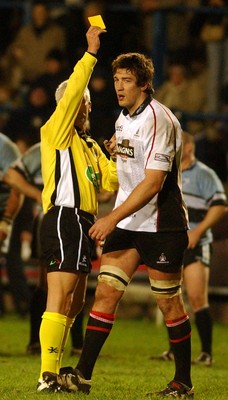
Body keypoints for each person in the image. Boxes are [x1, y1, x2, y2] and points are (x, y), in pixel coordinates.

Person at [45, 52, 195, 398]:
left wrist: (110, 216)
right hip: (128, 224)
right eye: (116, 80)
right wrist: (115, 153)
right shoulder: (123, 120)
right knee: (107, 292)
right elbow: (129, 168)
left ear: (144, 83)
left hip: (162, 225)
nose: (119, 87)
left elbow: (153, 182)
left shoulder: (160, 119)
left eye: (127, 80)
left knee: (169, 303)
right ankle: (83, 375)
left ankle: (183, 382)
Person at [36, 25, 118, 392]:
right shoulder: (57, 131)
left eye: (86, 103)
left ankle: (53, 370)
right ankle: (46, 375)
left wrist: (114, 156)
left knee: (76, 299)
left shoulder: (88, 145)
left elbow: (110, 185)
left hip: (85, 221)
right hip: (63, 216)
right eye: (82, 102)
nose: (87, 106)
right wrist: (90, 54)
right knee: (61, 293)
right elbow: (69, 98)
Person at [150, 131, 227, 366]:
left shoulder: (204, 174)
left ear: (190, 148)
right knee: (170, 297)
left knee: (196, 298)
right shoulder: (166, 173)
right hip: (171, 241)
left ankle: (205, 353)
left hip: (195, 244)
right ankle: (174, 350)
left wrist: (198, 231)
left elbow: (220, 206)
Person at [0, 132, 24, 315]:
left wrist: (6, 221)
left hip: (6, 211)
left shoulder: (5, 147)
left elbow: (18, 186)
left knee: (13, 260)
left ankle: (23, 304)